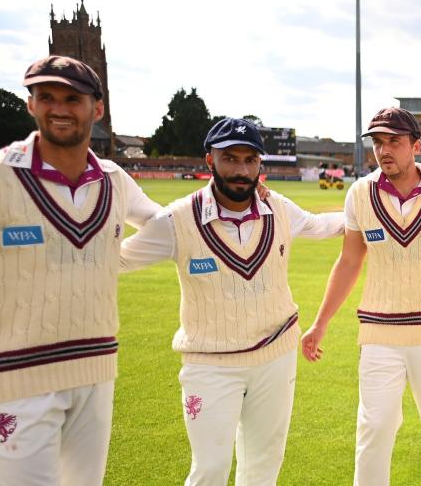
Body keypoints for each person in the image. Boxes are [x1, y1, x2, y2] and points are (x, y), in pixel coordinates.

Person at [118, 117, 344, 486]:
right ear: (210, 160)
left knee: (263, 468)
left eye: (250, 160)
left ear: (260, 164)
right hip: (210, 362)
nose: (241, 170)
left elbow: (321, 225)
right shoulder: (178, 219)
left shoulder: (280, 209)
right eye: (230, 159)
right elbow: (120, 258)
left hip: (275, 354)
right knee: (209, 468)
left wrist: (368, 212)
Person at [0, 56, 162, 485]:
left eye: (73, 98)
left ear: (97, 109)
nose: (59, 108)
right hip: (18, 377)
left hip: (95, 369)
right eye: (45, 96)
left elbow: (165, 226)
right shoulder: (3, 173)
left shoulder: (113, 178)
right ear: (31, 104)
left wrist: (115, 259)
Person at [300, 107, 421, 486]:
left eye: (393, 141)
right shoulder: (360, 193)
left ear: (416, 145)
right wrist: (320, 323)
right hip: (380, 332)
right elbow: (349, 262)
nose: (384, 150)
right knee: (375, 428)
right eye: (378, 142)